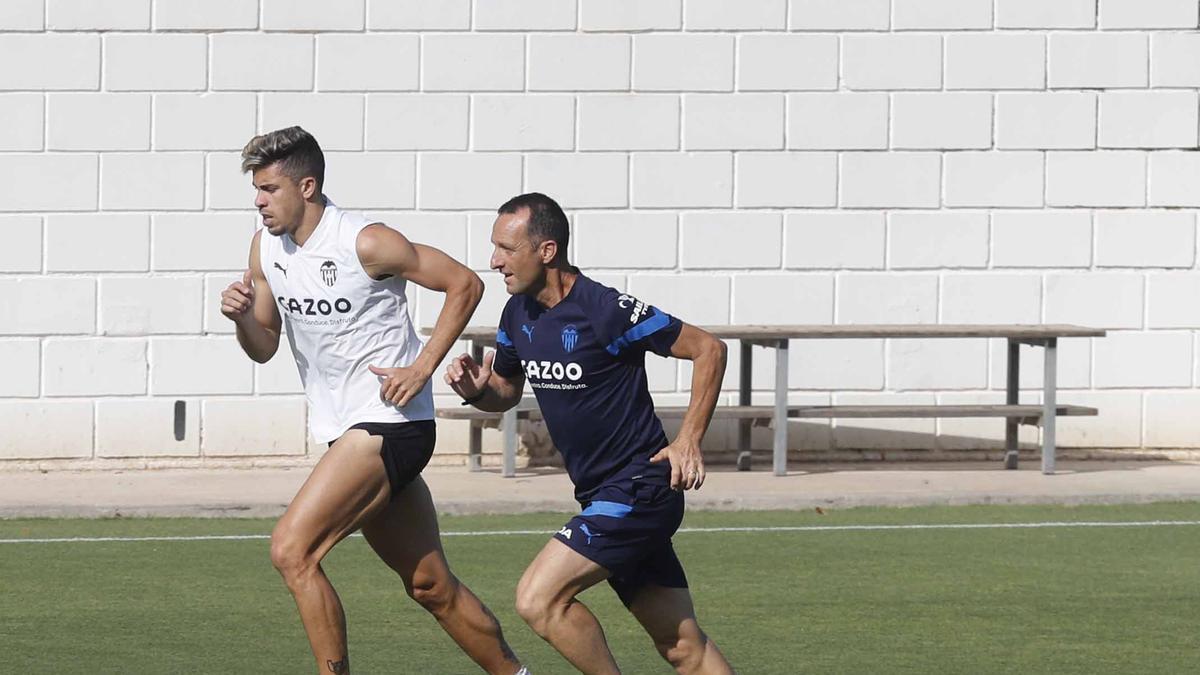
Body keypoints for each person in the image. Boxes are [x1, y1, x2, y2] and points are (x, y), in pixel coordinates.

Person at [220, 126, 526, 675]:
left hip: (392, 423)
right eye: (256, 191)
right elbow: (262, 346)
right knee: (431, 586)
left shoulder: (365, 241)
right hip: (350, 432)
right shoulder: (265, 248)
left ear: (307, 186)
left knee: (292, 551)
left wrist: (422, 366)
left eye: (269, 189)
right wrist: (243, 316)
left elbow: (465, 284)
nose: (259, 202)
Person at [445, 193, 735, 674]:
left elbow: (709, 350)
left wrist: (687, 440)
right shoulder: (518, 313)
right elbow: (506, 391)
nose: (493, 261)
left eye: (505, 248)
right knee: (682, 646)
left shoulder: (606, 310)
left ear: (546, 250)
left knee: (538, 599)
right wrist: (479, 390)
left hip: (640, 488)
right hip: (602, 495)